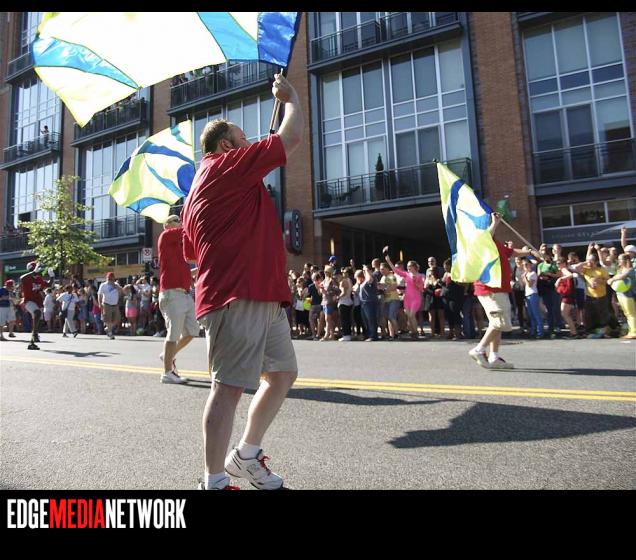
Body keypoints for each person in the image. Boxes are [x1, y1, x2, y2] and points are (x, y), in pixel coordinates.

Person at [181, 72, 303, 490]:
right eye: (243, 138)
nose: (250, 144)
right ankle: (214, 481)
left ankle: (246, 456)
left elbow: (193, 252)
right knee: (228, 388)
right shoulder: (222, 167)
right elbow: (290, 138)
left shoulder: (212, 184)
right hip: (237, 295)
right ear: (225, 146)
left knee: (282, 374)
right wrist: (291, 98)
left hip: (262, 294)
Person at [468, 213, 539, 369]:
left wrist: (529, 252)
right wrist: (495, 222)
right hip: (490, 289)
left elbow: (511, 252)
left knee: (496, 324)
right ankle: (479, 349)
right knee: (501, 322)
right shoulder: (480, 241)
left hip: (498, 288)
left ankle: (494, 357)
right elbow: (485, 238)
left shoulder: (495, 243)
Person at [156, 214, 199, 384]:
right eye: (176, 220)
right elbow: (188, 230)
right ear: (166, 225)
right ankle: (167, 373)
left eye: (180, 220)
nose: (180, 223)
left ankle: (168, 355)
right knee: (173, 334)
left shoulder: (180, 247)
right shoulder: (165, 236)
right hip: (171, 294)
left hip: (184, 295)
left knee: (193, 331)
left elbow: (187, 273)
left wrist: (199, 269)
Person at [384, 248, 424, 340]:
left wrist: (415, 281)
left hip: (416, 298)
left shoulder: (420, 276)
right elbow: (395, 270)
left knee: (412, 315)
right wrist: (388, 261)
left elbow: (421, 288)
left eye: (410, 266)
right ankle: (413, 332)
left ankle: (416, 333)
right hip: (407, 298)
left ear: (414, 267)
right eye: (408, 266)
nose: (408, 268)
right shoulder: (406, 274)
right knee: (409, 316)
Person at [571, 245, 610, 338]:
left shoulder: (602, 270)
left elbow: (608, 281)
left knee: (602, 315)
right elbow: (576, 268)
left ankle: (605, 332)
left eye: (591, 261)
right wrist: (587, 261)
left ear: (596, 261)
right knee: (588, 315)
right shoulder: (586, 269)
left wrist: (599, 280)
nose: (589, 262)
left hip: (601, 296)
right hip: (590, 296)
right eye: (589, 261)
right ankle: (590, 331)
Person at [20, 261, 54, 350]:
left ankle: (33, 339)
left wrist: (52, 276)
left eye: (37, 268)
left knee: (39, 320)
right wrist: (33, 271)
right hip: (28, 302)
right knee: (37, 313)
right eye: (34, 268)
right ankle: (34, 335)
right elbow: (21, 278)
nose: (38, 270)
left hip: (38, 302)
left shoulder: (39, 279)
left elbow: (49, 284)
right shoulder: (27, 278)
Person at [608, 253, 636, 339]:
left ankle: (634, 332)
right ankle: (631, 331)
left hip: (629, 295)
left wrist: (612, 279)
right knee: (627, 314)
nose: (619, 261)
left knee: (631, 314)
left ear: (626, 260)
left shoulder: (630, 270)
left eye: (620, 259)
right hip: (620, 294)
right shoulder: (620, 270)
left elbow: (622, 277)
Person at [554, 257, 578, 338]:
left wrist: (560, 279)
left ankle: (574, 332)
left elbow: (570, 275)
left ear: (564, 263)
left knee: (565, 314)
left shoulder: (564, 269)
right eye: (557, 263)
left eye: (559, 263)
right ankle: (573, 331)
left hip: (568, 295)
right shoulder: (564, 270)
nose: (557, 265)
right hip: (568, 294)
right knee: (566, 314)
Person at [97, 272, 123, 339]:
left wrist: (117, 287)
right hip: (106, 304)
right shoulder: (103, 285)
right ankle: (110, 333)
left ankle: (108, 328)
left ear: (114, 278)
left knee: (117, 319)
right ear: (107, 278)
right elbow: (99, 294)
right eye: (109, 278)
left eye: (112, 278)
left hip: (115, 304)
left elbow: (121, 292)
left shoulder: (116, 284)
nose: (110, 280)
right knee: (108, 320)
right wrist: (100, 303)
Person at [522, 259, 543, 339]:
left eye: (526, 264)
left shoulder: (533, 273)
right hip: (528, 295)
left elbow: (530, 285)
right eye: (524, 265)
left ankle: (540, 332)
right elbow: (523, 284)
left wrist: (525, 277)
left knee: (536, 313)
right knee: (531, 314)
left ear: (530, 265)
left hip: (533, 294)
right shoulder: (527, 274)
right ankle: (533, 331)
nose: (525, 266)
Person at [318, 265, 340, 341]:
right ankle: (331, 335)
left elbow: (338, 290)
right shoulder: (324, 280)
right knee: (327, 319)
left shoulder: (332, 281)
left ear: (329, 272)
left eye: (326, 272)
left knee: (327, 318)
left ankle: (327, 335)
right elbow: (320, 292)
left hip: (330, 301)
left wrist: (328, 292)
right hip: (324, 301)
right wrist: (321, 290)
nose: (325, 273)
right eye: (324, 271)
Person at [379, 262, 400, 340]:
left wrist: (384, 289)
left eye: (383, 269)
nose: (381, 271)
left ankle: (397, 334)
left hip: (393, 299)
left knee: (392, 316)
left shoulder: (392, 276)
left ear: (387, 269)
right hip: (386, 300)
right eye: (380, 269)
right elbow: (380, 286)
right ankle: (391, 335)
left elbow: (394, 286)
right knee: (387, 317)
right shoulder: (383, 277)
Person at [337, 266, 354, 341]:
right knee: (347, 319)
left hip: (343, 302)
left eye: (344, 272)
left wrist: (337, 297)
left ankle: (346, 335)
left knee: (344, 319)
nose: (342, 274)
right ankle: (348, 335)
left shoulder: (344, 281)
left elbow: (343, 292)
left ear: (347, 273)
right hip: (348, 301)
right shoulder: (349, 280)